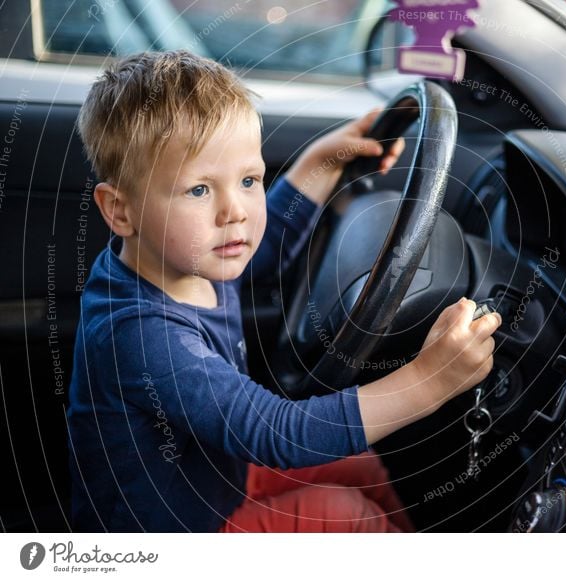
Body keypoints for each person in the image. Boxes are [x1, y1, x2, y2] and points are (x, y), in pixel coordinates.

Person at [68, 50, 501, 533]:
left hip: (215, 479)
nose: (235, 212)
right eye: (198, 190)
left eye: (249, 180)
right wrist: (430, 381)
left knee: (361, 466)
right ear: (119, 210)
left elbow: (267, 248)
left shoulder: (185, 254)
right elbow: (279, 433)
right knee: (348, 519)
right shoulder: (142, 335)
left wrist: (322, 161)